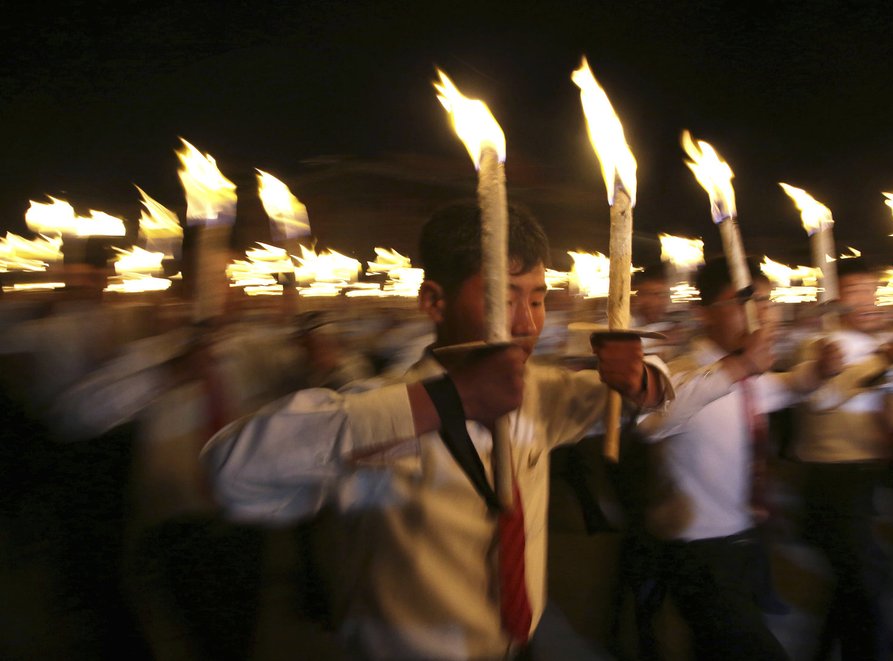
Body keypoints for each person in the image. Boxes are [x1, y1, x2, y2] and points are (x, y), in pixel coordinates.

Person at [202, 201, 673, 660]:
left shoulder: (539, 394)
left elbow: (651, 400)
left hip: (521, 642)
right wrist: (451, 400)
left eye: (537, 298)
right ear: (434, 301)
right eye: (503, 299)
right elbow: (232, 472)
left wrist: (640, 378)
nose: (527, 322)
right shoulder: (383, 410)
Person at [630, 255, 841, 661]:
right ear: (703, 314)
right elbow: (655, 420)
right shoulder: (677, 372)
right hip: (698, 550)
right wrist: (740, 364)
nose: (761, 314)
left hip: (743, 538)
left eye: (765, 302)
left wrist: (821, 370)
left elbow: (789, 386)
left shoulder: (752, 380)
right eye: (745, 302)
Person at [793, 257, 893, 661]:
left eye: (871, 290)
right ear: (836, 300)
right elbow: (825, 397)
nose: (867, 299)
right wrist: (888, 357)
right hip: (832, 480)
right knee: (864, 581)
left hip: (864, 477)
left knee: (854, 584)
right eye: (855, 291)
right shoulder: (819, 346)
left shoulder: (873, 344)